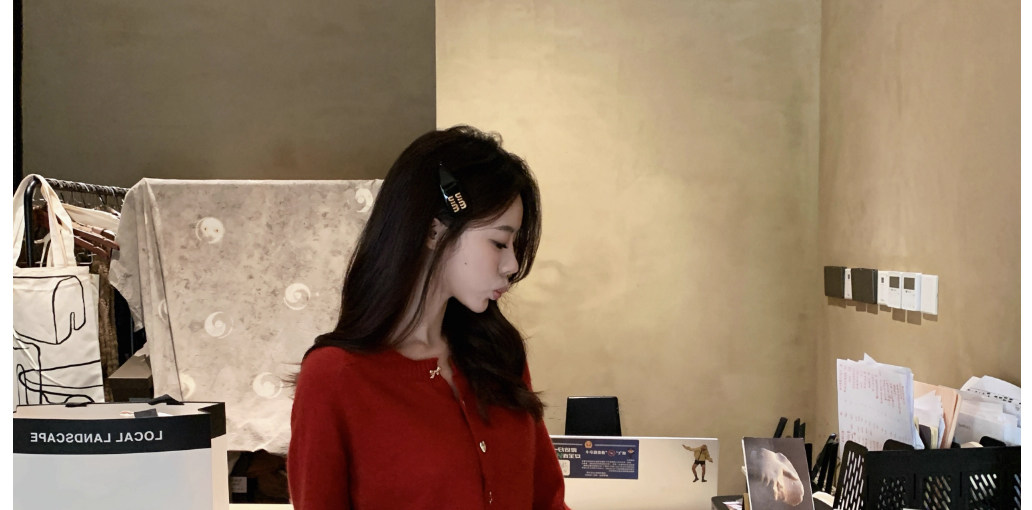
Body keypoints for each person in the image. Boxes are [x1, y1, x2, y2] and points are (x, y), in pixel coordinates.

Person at [287, 125, 569, 509]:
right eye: (499, 242)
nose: (512, 265)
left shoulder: (498, 354)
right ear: (434, 231)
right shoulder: (334, 378)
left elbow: (547, 499)